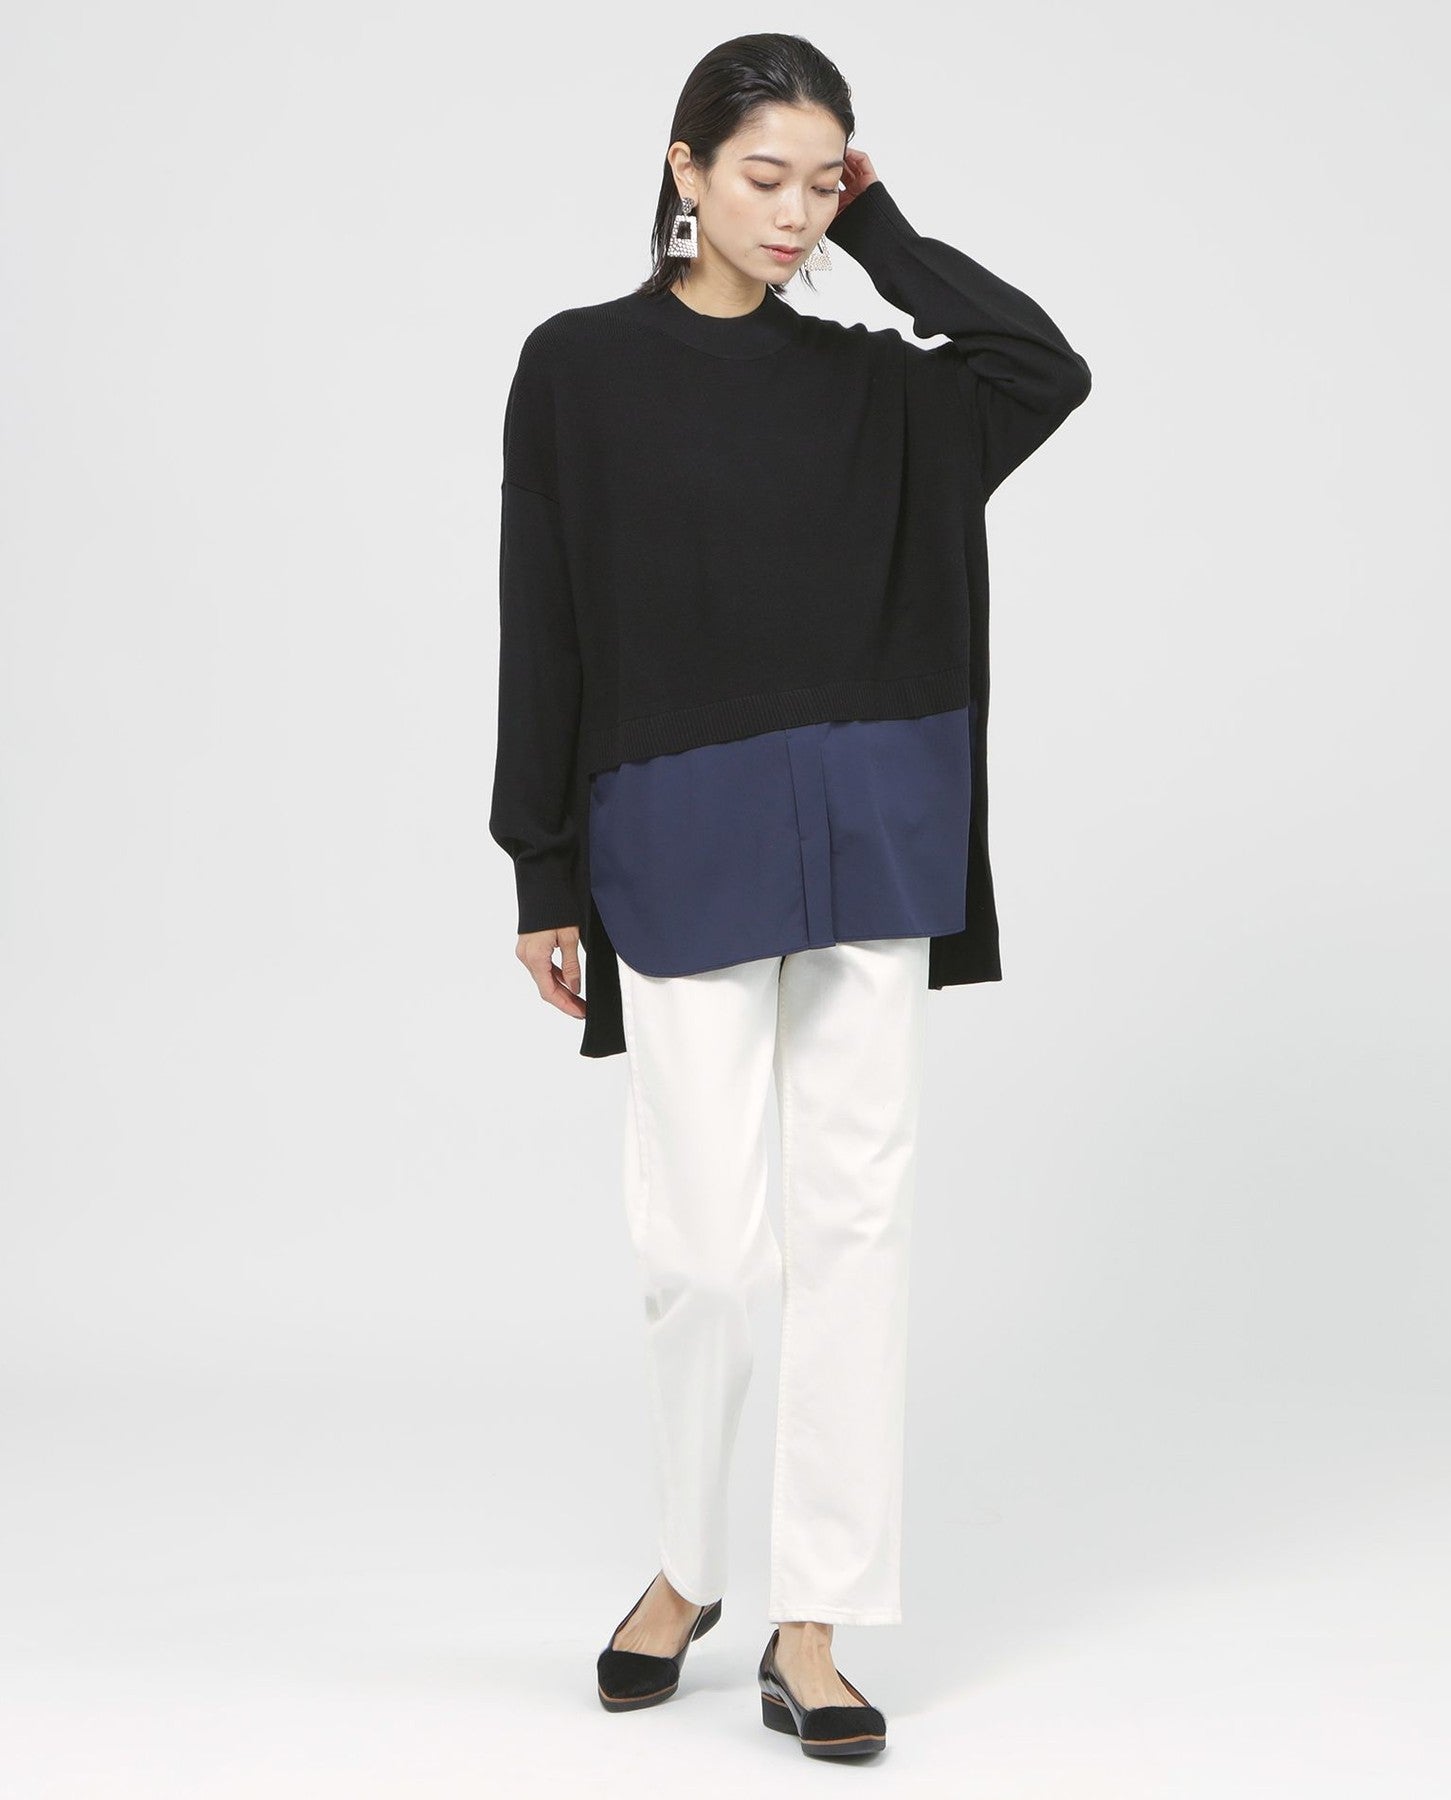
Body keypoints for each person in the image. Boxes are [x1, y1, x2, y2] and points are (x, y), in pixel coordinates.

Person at [489, 32, 1091, 1760]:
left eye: (825, 183)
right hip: (677, 829)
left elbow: (1042, 366)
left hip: (873, 822)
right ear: (683, 167)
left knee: (855, 1226)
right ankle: (688, 1566)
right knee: (701, 1245)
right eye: (765, 176)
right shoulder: (578, 369)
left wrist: (885, 233)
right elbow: (544, 613)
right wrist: (542, 862)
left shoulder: (882, 390)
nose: (794, 212)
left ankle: (813, 1619)